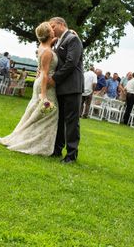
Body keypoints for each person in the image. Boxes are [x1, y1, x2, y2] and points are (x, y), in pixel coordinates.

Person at [0, 21, 59, 156]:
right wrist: (43, 94)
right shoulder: (47, 51)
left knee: (36, 114)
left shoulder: (42, 46)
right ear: (48, 33)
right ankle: (36, 144)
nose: (53, 30)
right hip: (45, 85)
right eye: (51, 29)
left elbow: (48, 46)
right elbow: (44, 73)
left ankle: (30, 139)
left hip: (40, 83)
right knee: (48, 114)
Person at [49, 17, 84, 163]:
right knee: (60, 120)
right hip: (62, 88)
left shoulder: (73, 39)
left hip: (72, 87)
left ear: (62, 24)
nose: (51, 29)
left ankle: (71, 155)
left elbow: (71, 63)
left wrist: (55, 78)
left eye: (53, 26)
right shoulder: (57, 42)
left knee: (71, 122)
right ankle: (57, 150)